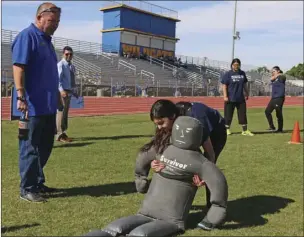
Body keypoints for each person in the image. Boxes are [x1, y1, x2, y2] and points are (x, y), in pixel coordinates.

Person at [85, 116, 228, 236]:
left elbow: (218, 186)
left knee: (137, 234)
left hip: (171, 220)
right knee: (112, 229)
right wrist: (141, 178)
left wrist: (212, 217)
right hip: (145, 212)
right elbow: (143, 158)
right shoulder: (165, 149)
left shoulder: (196, 161)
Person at [11, 2, 61, 202]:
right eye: (51, 21)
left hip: (47, 105)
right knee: (30, 147)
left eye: (57, 21)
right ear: (39, 17)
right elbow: (19, 67)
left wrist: (56, 94)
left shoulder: (47, 41)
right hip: (31, 106)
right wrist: (21, 95)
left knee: (45, 146)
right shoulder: (27, 36)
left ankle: (37, 182)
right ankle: (27, 188)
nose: (55, 25)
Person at [134, 99, 218, 206]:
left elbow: (209, 154)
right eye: (156, 124)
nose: (159, 127)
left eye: (161, 123)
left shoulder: (195, 124)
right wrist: (156, 162)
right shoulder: (169, 120)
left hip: (216, 132)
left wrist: (203, 175)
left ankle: (213, 207)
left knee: (208, 169)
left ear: (173, 116)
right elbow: (163, 148)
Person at [221, 58, 254, 136]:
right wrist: (225, 96)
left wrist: (247, 93)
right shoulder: (228, 74)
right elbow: (224, 85)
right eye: (234, 64)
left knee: (242, 114)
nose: (236, 66)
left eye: (237, 65)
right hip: (230, 98)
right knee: (228, 115)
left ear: (239, 65)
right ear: (232, 65)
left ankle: (244, 130)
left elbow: (244, 84)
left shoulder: (242, 73)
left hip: (240, 98)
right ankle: (227, 130)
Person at [56, 46, 77, 142]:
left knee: (65, 114)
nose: (69, 55)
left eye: (70, 54)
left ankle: (63, 133)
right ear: (63, 54)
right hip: (63, 92)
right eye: (67, 54)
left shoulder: (71, 66)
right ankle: (59, 135)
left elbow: (72, 80)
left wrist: (74, 91)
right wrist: (61, 90)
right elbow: (58, 80)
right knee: (61, 113)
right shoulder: (61, 65)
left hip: (69, 91)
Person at [265, 66, 286, 132]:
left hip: (279, 97)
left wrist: (279, 74)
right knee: (267, 111)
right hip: (273, 98)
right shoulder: (274, 78)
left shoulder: (281, 76)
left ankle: (280, 129)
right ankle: (272, 127)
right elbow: (271, 79)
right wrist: (274, 75)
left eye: (273, 71)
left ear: (278, 71)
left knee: (278, 113)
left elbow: (283, 77)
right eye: (272, 72)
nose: (272, 73)